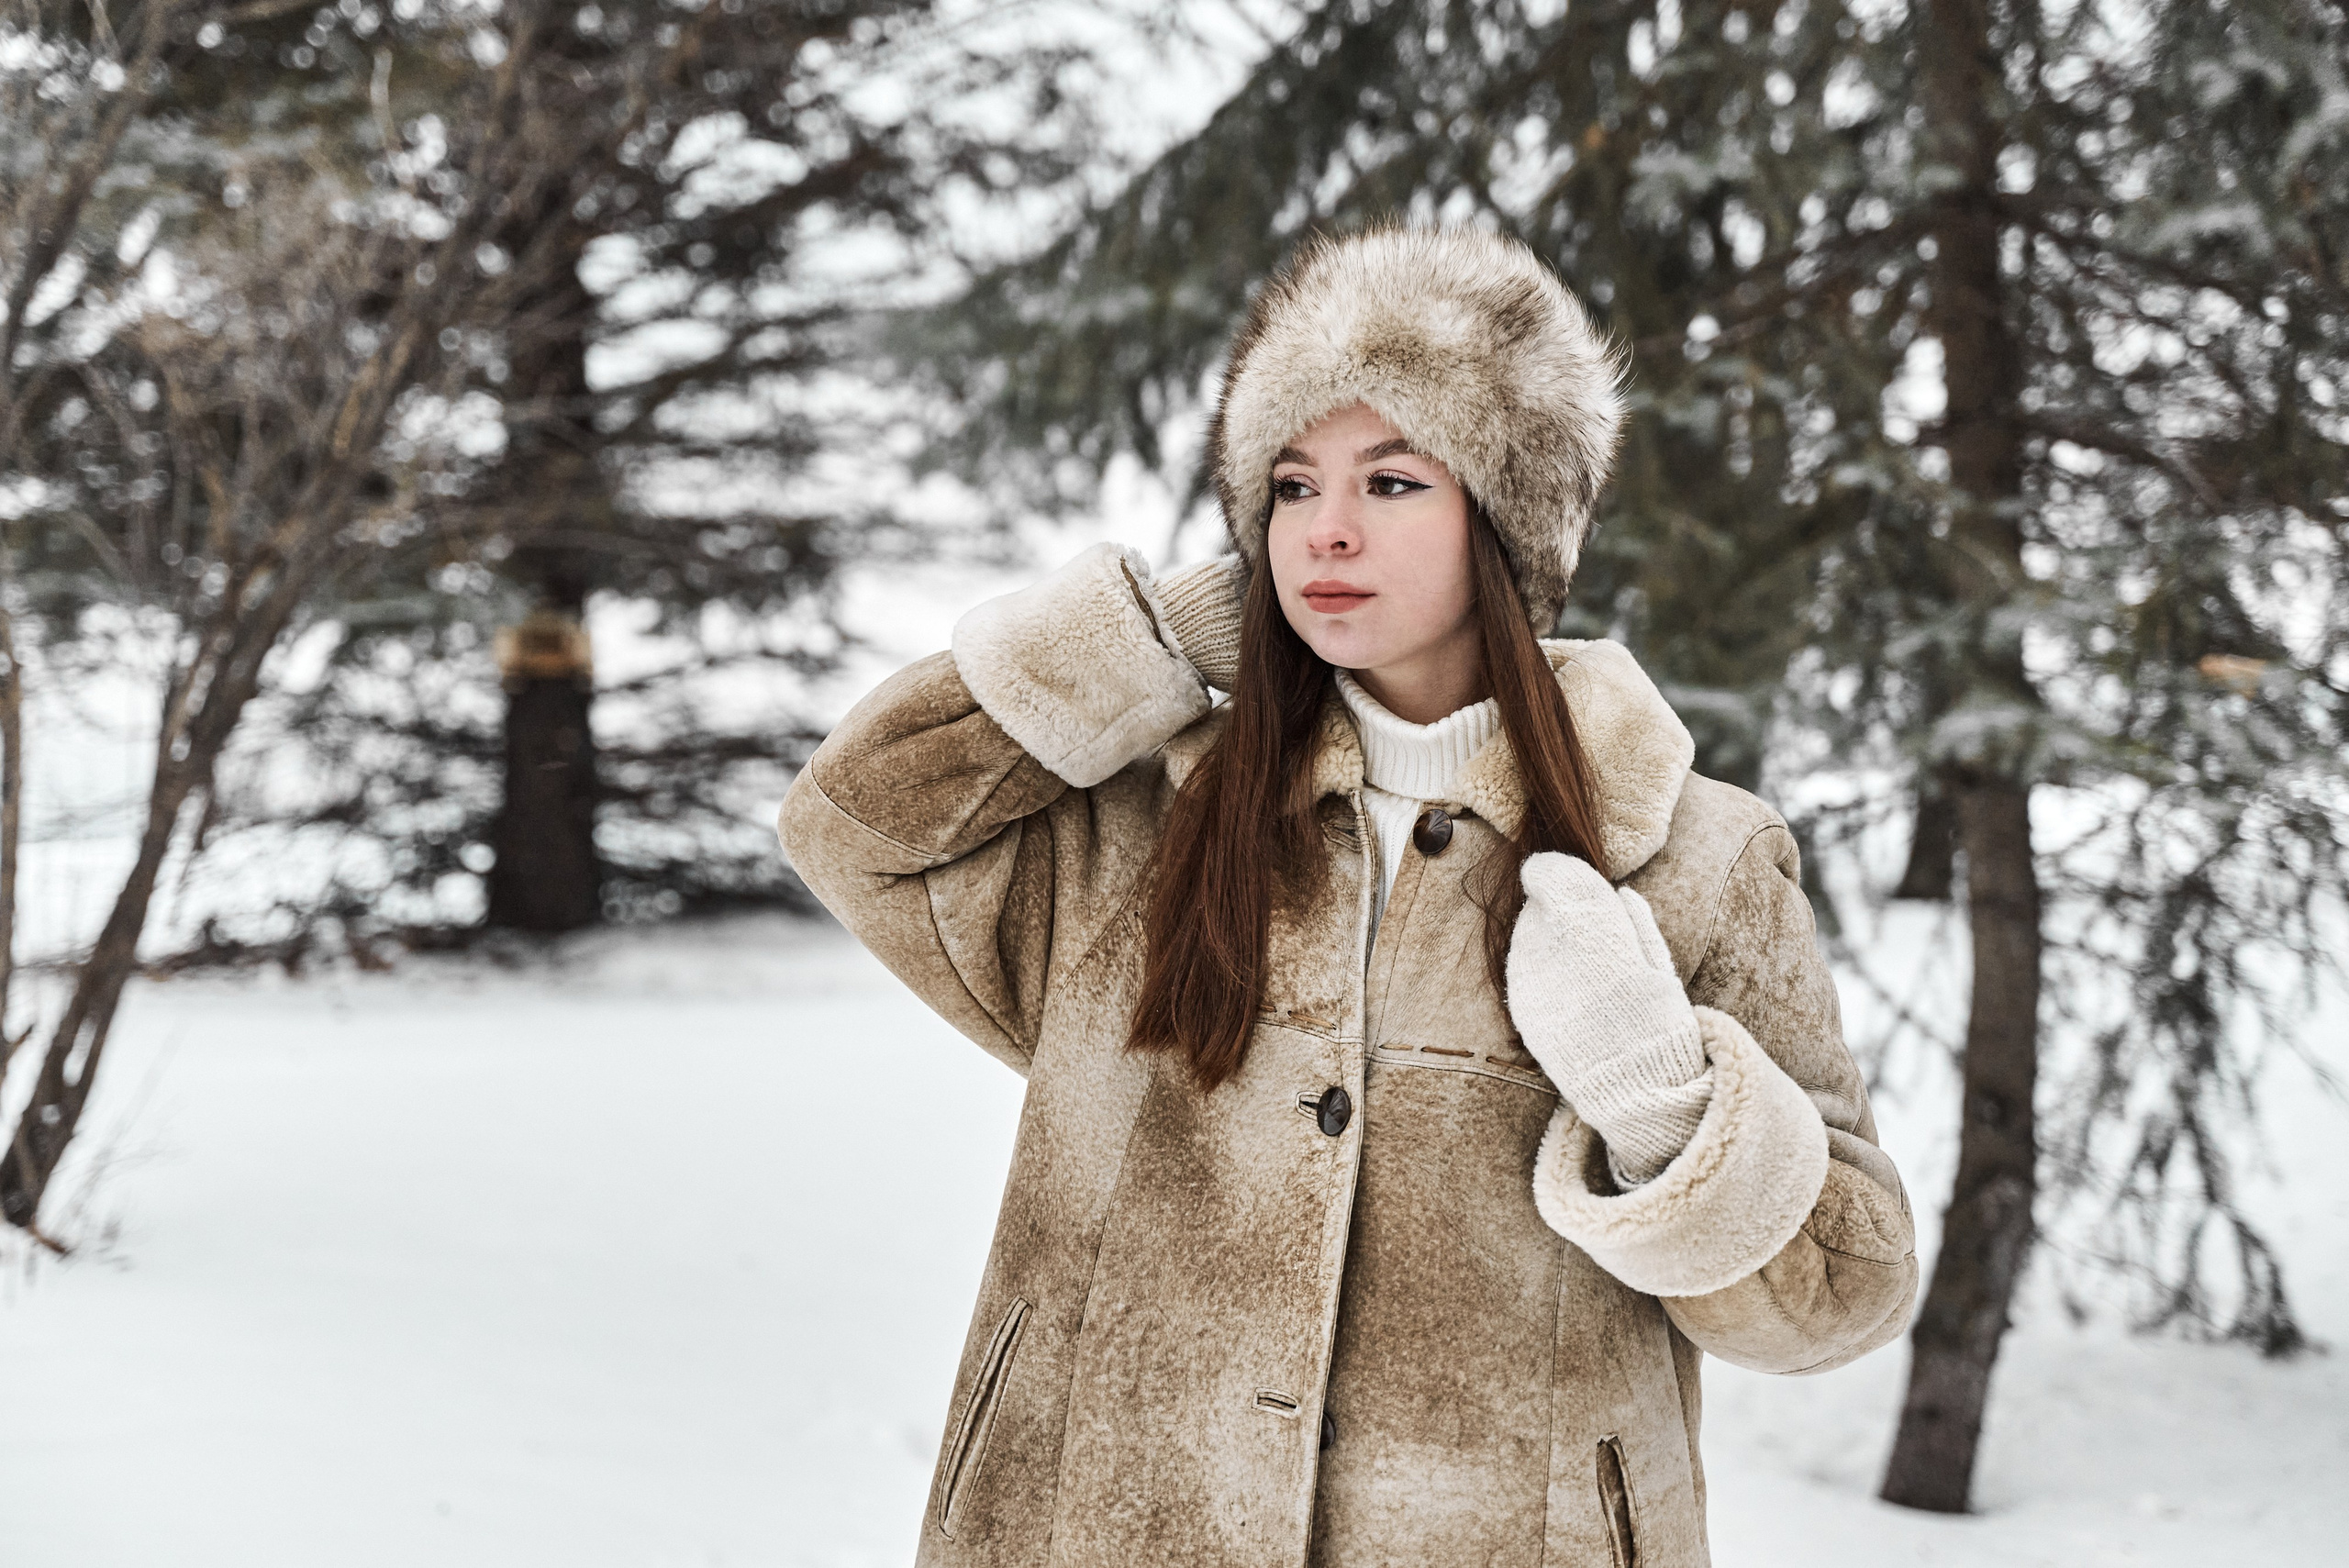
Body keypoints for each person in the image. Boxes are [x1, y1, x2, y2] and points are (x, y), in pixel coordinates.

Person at [779, 227, 1916, 1568]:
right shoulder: (1150, 825)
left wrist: (1669, 1112)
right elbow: (855, 824)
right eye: (1291, 482)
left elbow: (1848, 1287)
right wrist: (1124, 646)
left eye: (1390, 479)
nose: (1325, 528)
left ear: (1505, 518)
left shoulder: (1691, 858)